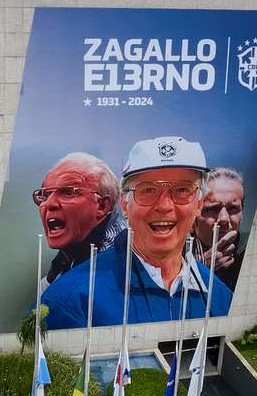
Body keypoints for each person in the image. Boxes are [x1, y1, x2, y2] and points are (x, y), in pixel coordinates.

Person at [43, 136, 233, 329]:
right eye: (148, 190)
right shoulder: (69, 301)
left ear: (199, 204)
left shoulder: (219, 296)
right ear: (125, 204)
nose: (164, 206)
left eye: (182, 190)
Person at [33, 152, 125, 288]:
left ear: (102, 205)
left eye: (68, 192)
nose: (49, 203)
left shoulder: (116, 268)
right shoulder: (68, 257)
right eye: (45, 195)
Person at [192, 167, 245, 291]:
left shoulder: (252, 258)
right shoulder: (168, 258)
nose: (224, 218)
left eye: (233, 209)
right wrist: (200, 269)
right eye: (213, 209)